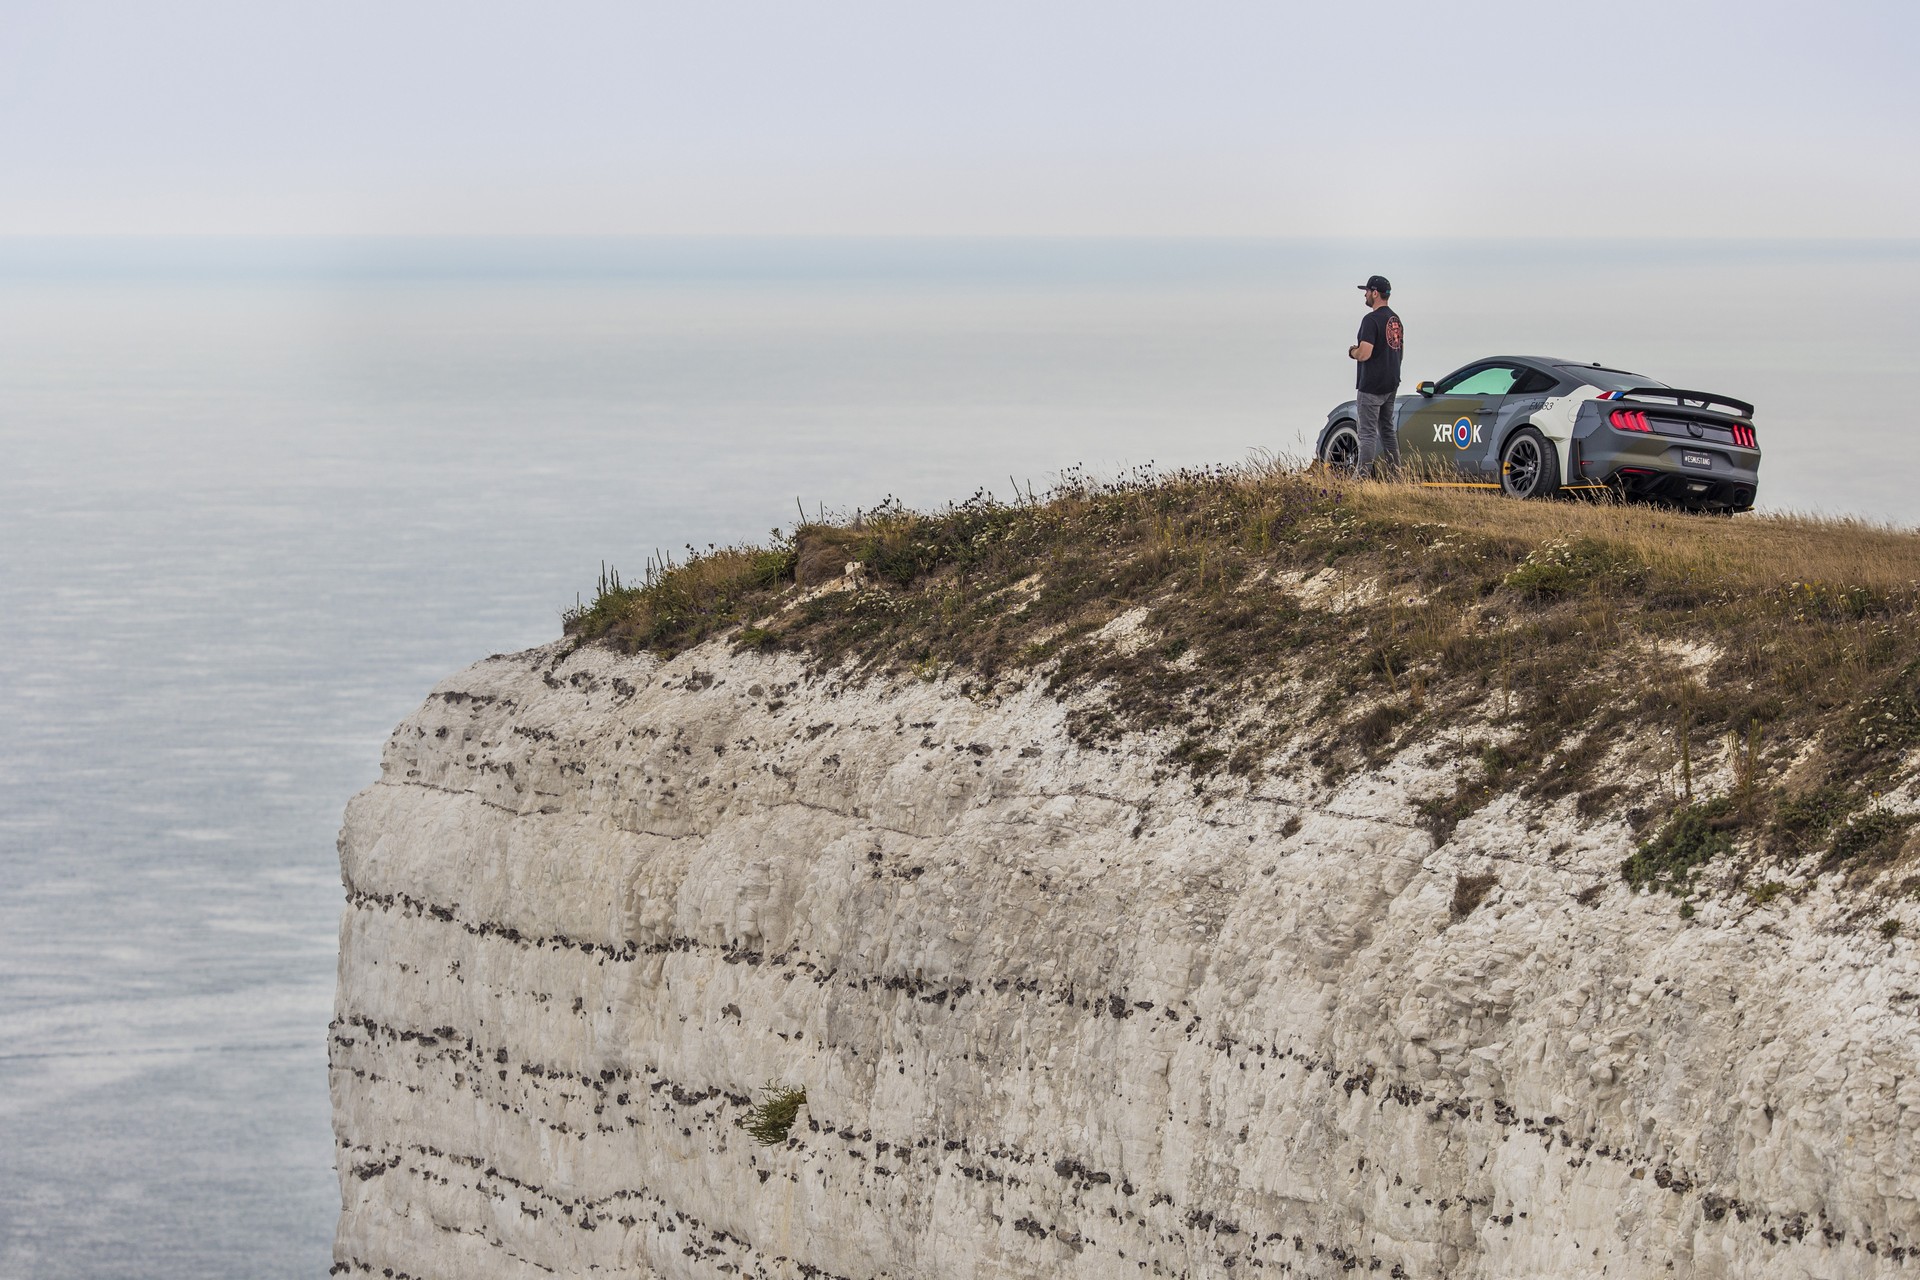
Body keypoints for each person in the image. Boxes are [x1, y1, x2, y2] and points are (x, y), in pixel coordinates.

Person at [1346, 274, 1404, 477]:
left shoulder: (1370, 320)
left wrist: (1352, 351)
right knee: (1387, 430)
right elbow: (1398, 351)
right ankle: (1396, 475)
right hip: (1391, 383)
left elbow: (1365, 353)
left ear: (1375, 293)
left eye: (1367, 291)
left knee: (1367, 433)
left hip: (1371, 385)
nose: (1365, 295)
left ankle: (1361, 477)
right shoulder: (1395, 319)